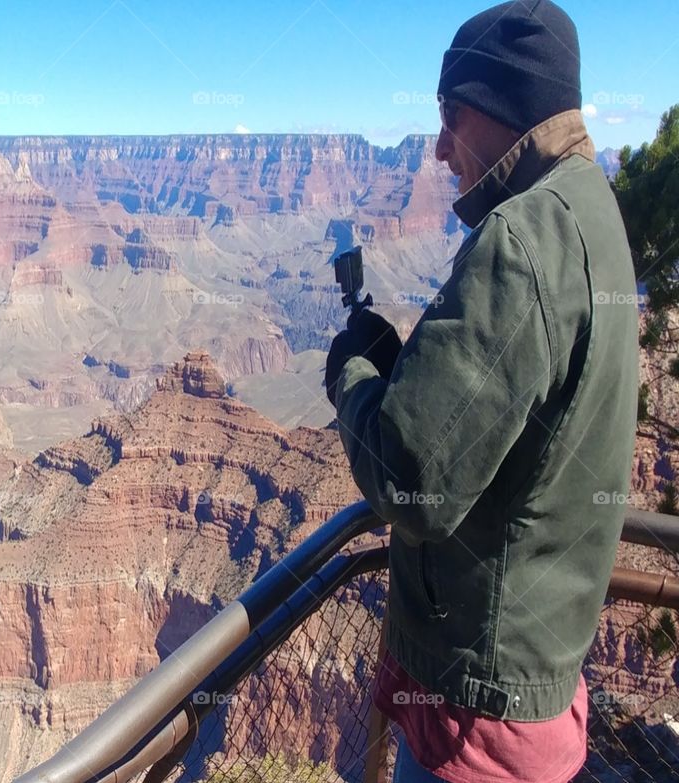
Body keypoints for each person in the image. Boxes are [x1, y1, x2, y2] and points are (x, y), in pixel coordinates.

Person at [324, 1, 639, 781]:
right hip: (539, 687)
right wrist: (405, 373)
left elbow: (410, 479)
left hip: (477, 723)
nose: (437, 148)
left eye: (450, 115)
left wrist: (352, 376)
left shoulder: (521, 238)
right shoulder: (592, 210)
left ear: (505, 108)